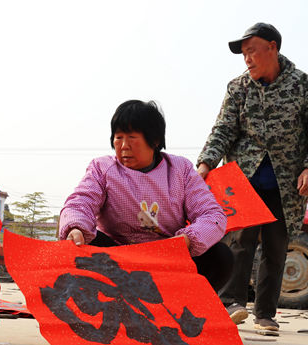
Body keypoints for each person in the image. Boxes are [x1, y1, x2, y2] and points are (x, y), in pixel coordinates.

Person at [197, 23, 308, 334]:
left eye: (252, 51)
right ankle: (231, 304)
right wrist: (206, 163)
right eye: (243, 54)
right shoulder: (238, 88)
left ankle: (265, 314)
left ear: (273, 47)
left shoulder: (303, 86)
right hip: (242, 181)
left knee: (275, 247)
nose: (247, 58)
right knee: (239, 242)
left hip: (287, 184)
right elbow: (223, 129)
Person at [60, 99, 232, 293]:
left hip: (168, 259)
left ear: (155, 140)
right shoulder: (102, 168)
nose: (124, 146)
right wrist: (75, 227)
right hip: (116, 259)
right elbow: (81, 201)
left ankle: (183, 303)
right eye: (118, 138)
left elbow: (212, 215)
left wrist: (187, 240)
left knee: (220, 256)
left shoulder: (181, 170)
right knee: (81, 242)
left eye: (132, 137)